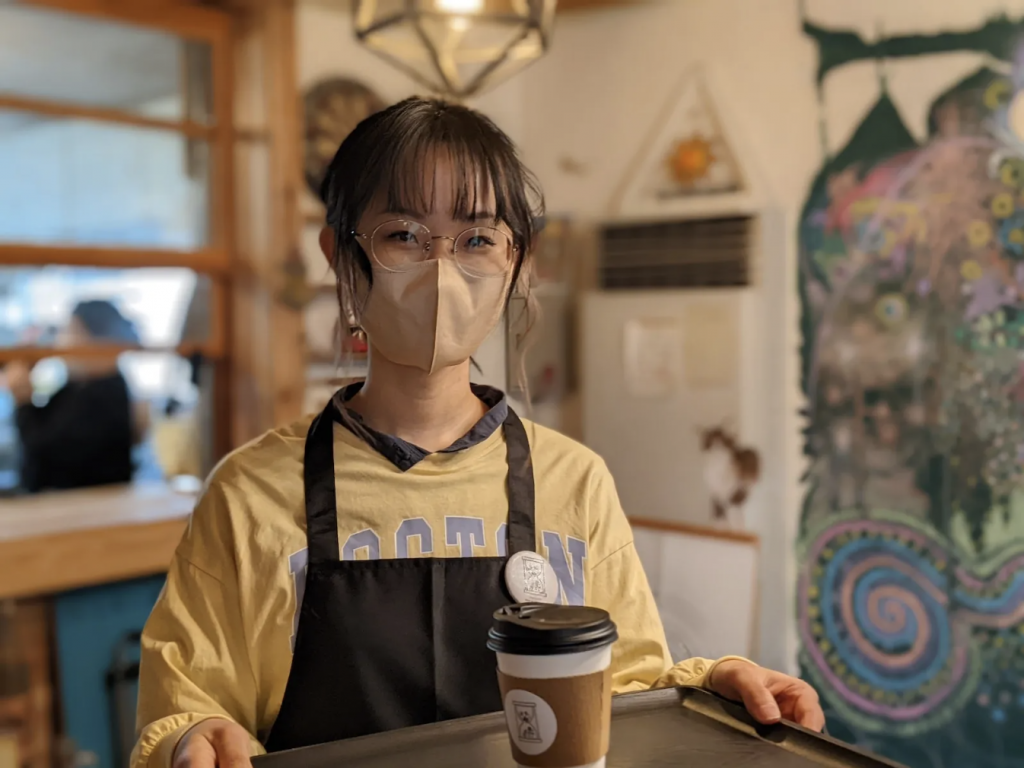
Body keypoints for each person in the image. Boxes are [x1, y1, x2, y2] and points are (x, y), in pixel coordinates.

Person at [133, 98, 824, 768]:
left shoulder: (573, 479)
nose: (443, 266)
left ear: (514, 262)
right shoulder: (250, 492)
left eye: (476, 239)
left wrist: (713, 684)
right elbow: (187, 702)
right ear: (342, 256)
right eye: (403, 234)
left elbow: (626, 693)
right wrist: (194, 735)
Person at [2, 300, 147, 493]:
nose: (61, 341)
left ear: (95, 340)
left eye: (70, 331)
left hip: (85, 507)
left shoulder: (105, 393)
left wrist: (23, 401)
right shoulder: (81, 385)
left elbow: (45, 451)